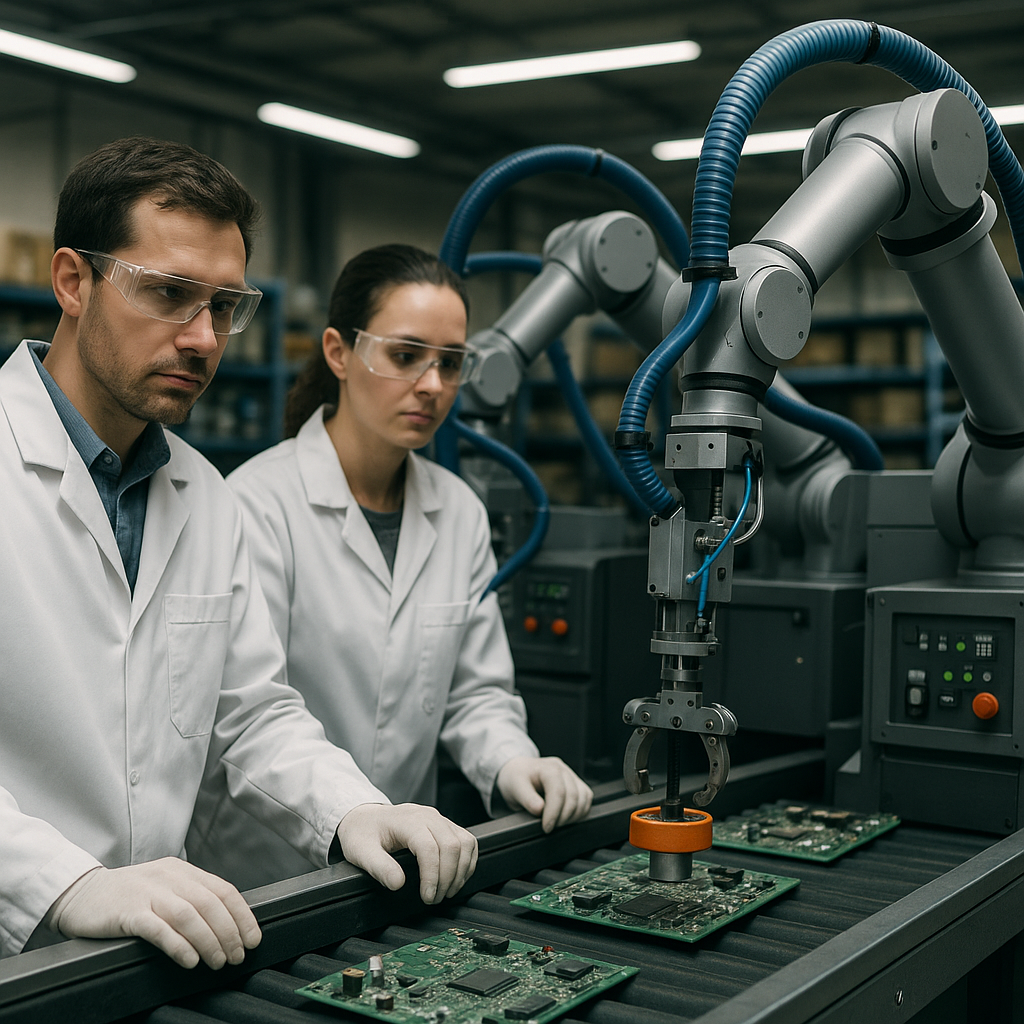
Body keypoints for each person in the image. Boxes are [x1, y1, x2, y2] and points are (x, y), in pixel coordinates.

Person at [0, 139, 477, 970]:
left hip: (149, 956)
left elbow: (251, 713)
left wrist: (352, 811)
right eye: (169, 294)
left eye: (224, 305)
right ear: (73, 282)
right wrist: (65, 882)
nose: (202, 338)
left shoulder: (205, 496)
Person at [186, 244, 593, 890]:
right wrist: (355, 808)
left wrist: (514, 762)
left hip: (400, 870)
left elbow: (474, 694)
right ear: (339, 353)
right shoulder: (256, 505)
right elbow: (250, 716)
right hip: (261, 877)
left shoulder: (456, 511)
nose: (432, 386)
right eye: (405, 357)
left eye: (451, 363)